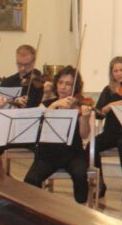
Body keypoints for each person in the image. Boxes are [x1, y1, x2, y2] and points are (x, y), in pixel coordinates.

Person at [23, 66, 93, 205]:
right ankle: (36, 210)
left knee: (80, 175)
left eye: (68, 84)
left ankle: (82, 210)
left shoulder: (79, 106)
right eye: (60, 82)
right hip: (49, 154)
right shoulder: (47, 104)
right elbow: (36, 126)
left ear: (75, 87)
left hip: (73, 153)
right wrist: (54, 104)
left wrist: (84, 118)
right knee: (30, 180)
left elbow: (84, 135)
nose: (63, 87)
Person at [92, 56, 122, 202]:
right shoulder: (108, 90)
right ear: (111, 73)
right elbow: (98, 114)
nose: (119, 73)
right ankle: (101, 183)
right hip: (112, 133)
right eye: (116, 71)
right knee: (92, 146)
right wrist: (109, 107)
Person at [0, 44, 43, 108]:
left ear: (34, 62)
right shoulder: (6, 83)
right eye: (19, 64)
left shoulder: (40, 84)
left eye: (27, 64)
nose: (22, 68)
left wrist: (47, 94)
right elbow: (0, 108)